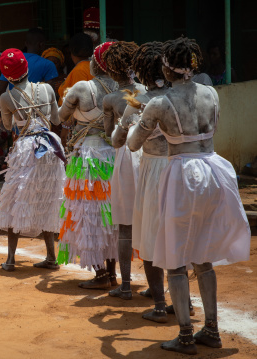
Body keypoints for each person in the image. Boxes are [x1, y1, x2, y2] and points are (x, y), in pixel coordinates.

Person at [127, 37, 251, 355]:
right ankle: (211, 329)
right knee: (203, 257)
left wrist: (132, 116)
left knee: (176, 260)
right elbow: (213, 127)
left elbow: (131, 144)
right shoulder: (210, 92)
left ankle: (184, 336)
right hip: (215, 170)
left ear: (167, 68)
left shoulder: (159, 103)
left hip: (182, 173)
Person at [0, 48, 66, 271]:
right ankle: (51, 257)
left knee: (17, 198)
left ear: (7, 76)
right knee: (48, 197)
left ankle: (10, 259)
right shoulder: (47, 88)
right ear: (27, 68)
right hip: (50, 146)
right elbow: (55, 118)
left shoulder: (6, 97)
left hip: (26, 147)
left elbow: (8, 126)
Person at [56, 42, 119, 289]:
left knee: (88, 213)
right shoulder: (120, 88)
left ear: (96, 63)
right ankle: (113, 274)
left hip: (90, 157)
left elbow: (61, 116)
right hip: (115, 155)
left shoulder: (82, 87)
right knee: (110, 214)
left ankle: (101, 274)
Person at [113, 41, 169, 319]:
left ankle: (158, 304)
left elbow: (124, 143)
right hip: (182, 168)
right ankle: (187, 305)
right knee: (177, 233)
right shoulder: (188, 95)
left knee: (146, 234)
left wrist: (123, 124)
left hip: (152, 169)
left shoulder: (140, 101)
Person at [101, 41, 144, 300]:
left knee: (125, 225)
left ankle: (126, 285)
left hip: (126, 155)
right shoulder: (146, 91)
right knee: (153, 219)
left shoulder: (110, 99)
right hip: (152, 154)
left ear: (110, 70)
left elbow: (110, 135)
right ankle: (158, 286)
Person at [0, 28, 58, 104]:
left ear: (26, 43)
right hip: (37, 111)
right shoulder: (48, 64)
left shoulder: (12, 61)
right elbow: (50, 93)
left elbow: (1, 89)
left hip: (15, 110)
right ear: (41, 45)